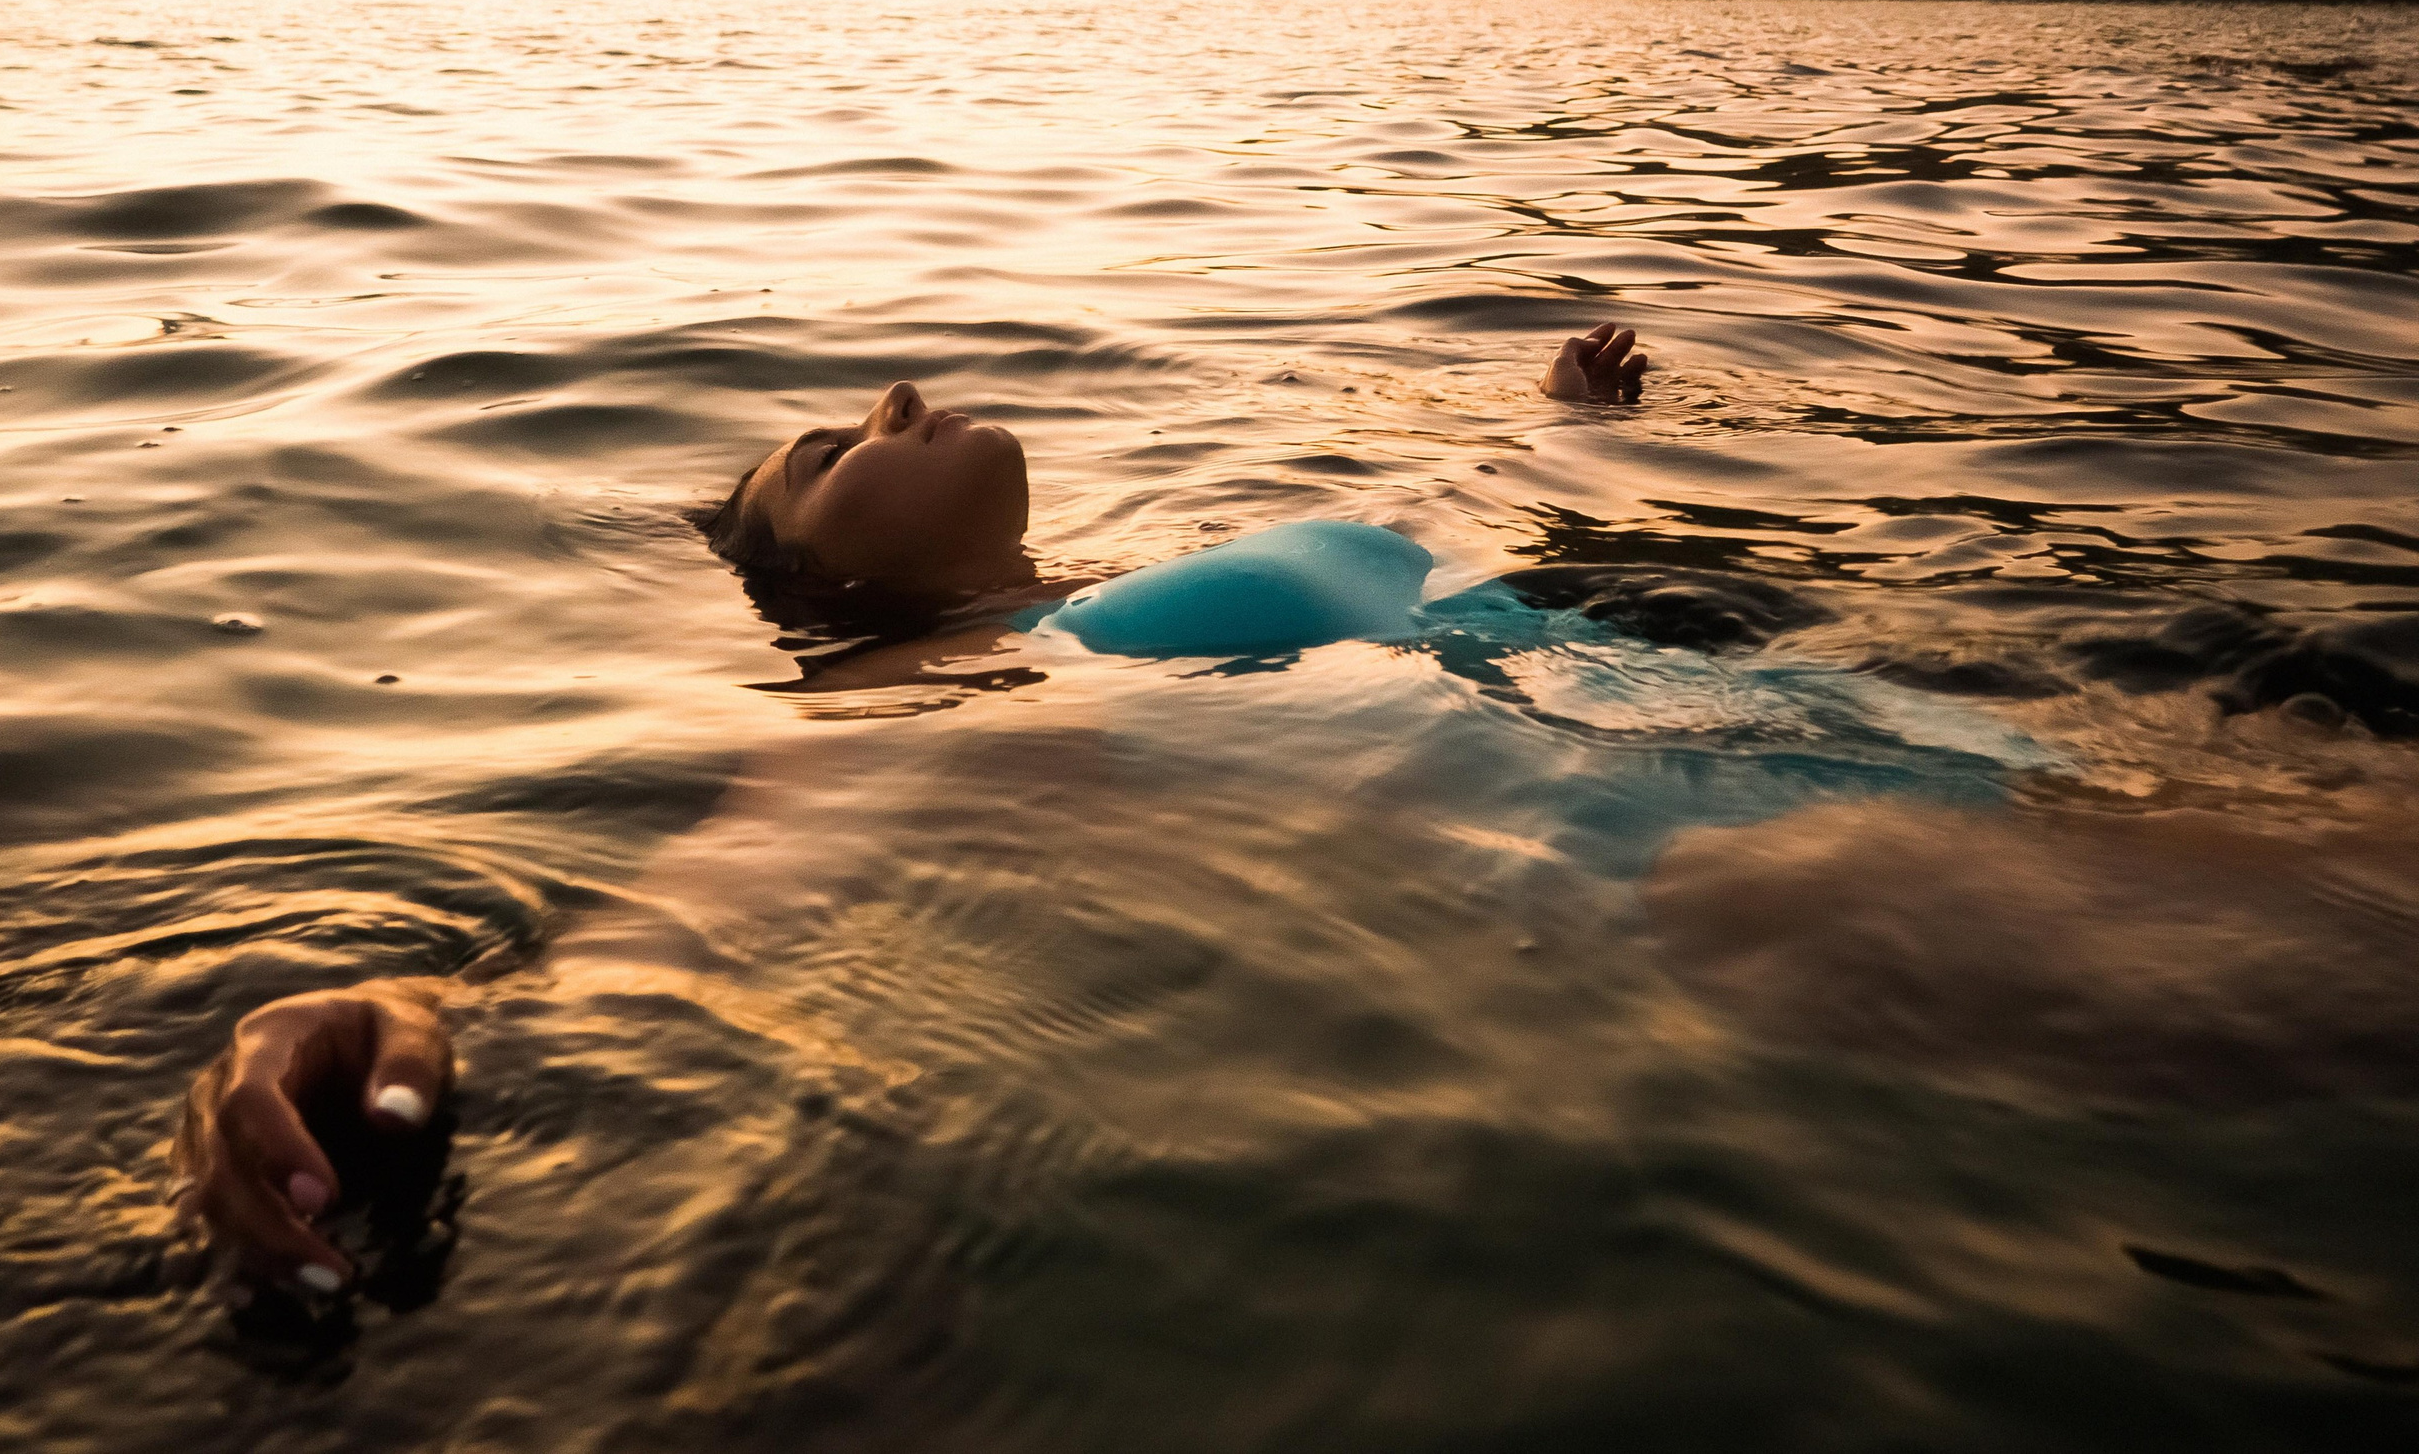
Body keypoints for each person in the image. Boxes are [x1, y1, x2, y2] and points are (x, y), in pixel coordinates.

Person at [169, 322, 1653, 1293]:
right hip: (1684, 880)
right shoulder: (916, 701)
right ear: (812, 578)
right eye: (828, 457)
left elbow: (1463, 562)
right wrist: (417, 1011)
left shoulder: (1112, 595)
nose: (899, 400)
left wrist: (1569, 431)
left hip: (1728, 749)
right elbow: (706, 909)